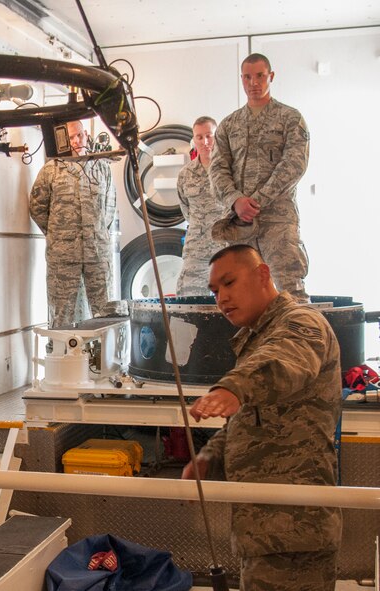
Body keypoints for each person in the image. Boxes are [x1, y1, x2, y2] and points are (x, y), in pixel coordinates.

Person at [182, 244, 342, 590]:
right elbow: (252, 418)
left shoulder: (300, 322)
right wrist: (210, 456)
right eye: (214, 291)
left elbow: (284, 360)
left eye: (229, 283)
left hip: (295, 533)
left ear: (263, 274)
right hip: (265, 530)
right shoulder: (257, 337)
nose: (221, 298)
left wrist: (232, 388)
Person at [210, 53, 311, 302]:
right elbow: (217, 169)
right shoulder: (229, 125)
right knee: (242, 294)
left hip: (278, 222)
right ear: (241, 79)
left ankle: (297, 341)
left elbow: (294, 164)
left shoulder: (290, 118)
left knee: (290, 293)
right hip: (240, 226)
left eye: (259, 76)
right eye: (247, 77)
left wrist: (256, 201)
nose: (253, 83)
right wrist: (236, 201)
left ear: (271, 77)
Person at [29, 119, 117, 327]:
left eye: (80, 135)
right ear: (63, 141)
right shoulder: (51, 170)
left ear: (86, 134)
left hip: (97, 254)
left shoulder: (101, 168)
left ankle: (102, 358)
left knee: (105, 313)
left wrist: (97, 233)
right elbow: (37, 208)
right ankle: (60, 357)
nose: (77, 141)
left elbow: (110, 209)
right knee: (61, 314)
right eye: (70, 138)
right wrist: (57, 234)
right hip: (63, 256)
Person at [176, 116, 229, 296]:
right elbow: (186, 210)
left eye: (209, 136)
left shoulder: (231, 170)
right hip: (196, 248)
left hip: (226, 245)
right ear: (194, 139)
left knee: (231, 296)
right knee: (188, 296)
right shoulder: (185, 174)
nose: (205, 142)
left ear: (217, 136)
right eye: (199, 137)